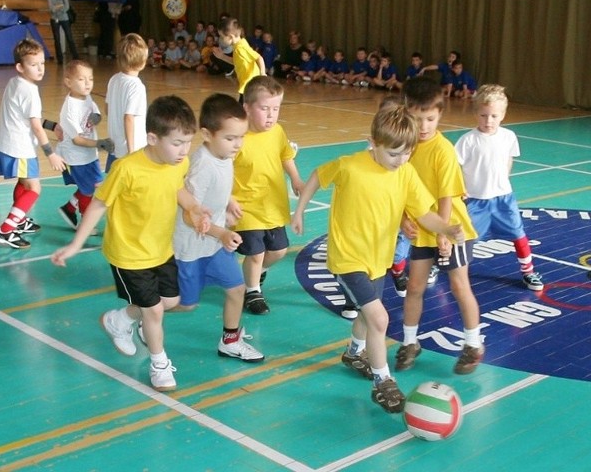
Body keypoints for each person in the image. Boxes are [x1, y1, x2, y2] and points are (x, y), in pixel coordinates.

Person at [291, 102, 465, 413]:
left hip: (378, 258)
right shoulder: (351, 165)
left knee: (366, 316)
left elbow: (424, 212)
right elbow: (319, 175)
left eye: (407, 153)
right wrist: (300, 208)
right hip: (348, 258)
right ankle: (383, 382)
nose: (401, 160)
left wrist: (448, 228)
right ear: (373, 143)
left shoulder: (406, 173)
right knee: (380, 317)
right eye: (394, 153)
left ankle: (353, 352)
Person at [51, 96, 210, 392]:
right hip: (129, 254)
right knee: (154, 311)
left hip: (161, 248)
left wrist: (195, 208)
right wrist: (75, 245)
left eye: (188, 142)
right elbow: (98, 205)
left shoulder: (179, 162)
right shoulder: (126, 168)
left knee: (172, 302)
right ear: (152, 138)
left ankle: (120, 319)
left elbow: (177, 189)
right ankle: (159, 363)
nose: (184, 151)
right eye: (177, 143)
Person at [395, 76, 484, 375]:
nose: (423, 126)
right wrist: (404, 219)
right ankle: (410, 342)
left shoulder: (443, 150)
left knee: (459, 286)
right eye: (417, 119)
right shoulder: (404, 146)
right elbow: (399, 188)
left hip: (451, 228)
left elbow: (446, 196)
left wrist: (443, 233)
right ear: (405, 111)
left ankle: (473, 344)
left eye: (430, 119)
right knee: (415, 287)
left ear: (439, 116)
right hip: (422, 230)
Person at [172, 93, 265, 362]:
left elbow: (219, 187)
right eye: (230, 138)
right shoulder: (201, 165)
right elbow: (191, 215)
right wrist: (221, 232)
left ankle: (230, 340)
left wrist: (229, 201)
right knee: (186, 304)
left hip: (216, 245)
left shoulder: (224, 156)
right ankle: (144, 314)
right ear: (207, 134)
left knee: (237, 289)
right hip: (193, 246)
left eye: (241, 137)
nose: (237, 144)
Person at [455, 84, 544, 291]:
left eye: (494, 116)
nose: (488, 121)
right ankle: (446, 267)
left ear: (503, 115)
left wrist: (504, 179)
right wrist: (461, 190)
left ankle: (528, 272)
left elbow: (508, 160)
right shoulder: (467, 141)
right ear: (475, 113)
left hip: (504, 198)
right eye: (484, 115)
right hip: (475, 200)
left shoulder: (508, 137)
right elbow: (455, 167)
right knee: (465, 238)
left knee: (518, 233)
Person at [229, 76, 304, 314]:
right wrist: (228, 199)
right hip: (246, 207)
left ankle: (257, 274)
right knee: (255, 252)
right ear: (247, 108)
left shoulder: (277, 131)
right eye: (264, 109)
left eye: (276, 109)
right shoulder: (236, 138)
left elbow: (285, 155)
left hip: (272, 204)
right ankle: (252, 292)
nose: (271, 115)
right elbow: (223, 169)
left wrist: (295, 177)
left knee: (279, 250)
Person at [0, 38, 66, 249]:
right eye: (34, 65)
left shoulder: (15, 82)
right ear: (20, 67)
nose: (40, 69)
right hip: (19, 148)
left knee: (24, 183)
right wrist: (50, 153)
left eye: (42, 63)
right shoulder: (30, 91)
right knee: (34, 188)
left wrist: (52, 125)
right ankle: (6, 230)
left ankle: (20, 220)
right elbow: (34, 125)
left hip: (5, 144)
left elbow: (28, 117)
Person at [55, 60, 114, 231]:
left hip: (89, 154)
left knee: (90, 187)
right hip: (76, 157)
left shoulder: (86, 97)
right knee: (90, 189)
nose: (88, 83)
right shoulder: (68, 109)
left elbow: (95, 112)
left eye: (91, 79)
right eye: (82, 79)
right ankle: (84, 223)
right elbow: (77, 140)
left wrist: (96, 117)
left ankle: (70, 208)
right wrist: (99, 143)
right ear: (68, 82)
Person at [105, 33, 148, 172]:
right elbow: (129, 118)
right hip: (131, 148)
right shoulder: (137, 86)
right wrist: (131, 151)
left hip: (114, 146)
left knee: (112, 187)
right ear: (142, 62)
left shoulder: (114, 79)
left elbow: (107, 109)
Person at [214, 17, 266, 103]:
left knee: (242, 108)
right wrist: (222, 56)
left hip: (250, 84)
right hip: (246, 84)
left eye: (222, 37)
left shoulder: (241, 47)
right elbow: (236, 62)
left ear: (230, 37)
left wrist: (263, 74)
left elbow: (259, 58)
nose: (221, 39)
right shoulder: (237, 46)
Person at [46, 0, 79, 65]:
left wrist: (57, 8)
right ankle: (60, 59)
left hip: (64, 18)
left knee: (69, 37)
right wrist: (60, 6)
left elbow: (67, 7)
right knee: (57, 39)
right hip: (54, 19)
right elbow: (52, 9)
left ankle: (76, 56)